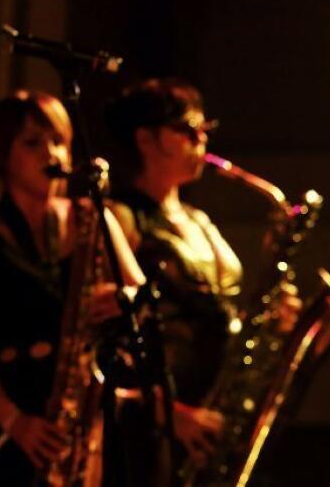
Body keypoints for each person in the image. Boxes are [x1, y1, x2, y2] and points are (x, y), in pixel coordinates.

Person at [0, 90, 144, 485]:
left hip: (81, 422)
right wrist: (16, 423)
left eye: (59, 141)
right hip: (7, 429)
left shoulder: (92, 217)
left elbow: (137, 287)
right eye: (33, 142)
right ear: (2, 155)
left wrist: (125, 300)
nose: (52, 154)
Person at [104, 78, 299, 479]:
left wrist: (271, 321)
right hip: (153, 424)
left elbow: (217, 311)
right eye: (187, 130)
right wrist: (165, 410)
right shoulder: (120, 216)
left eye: (204, 130)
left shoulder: (199, 221)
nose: (201, 141)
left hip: (211, 413)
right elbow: (107, 335)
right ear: (145, 139)